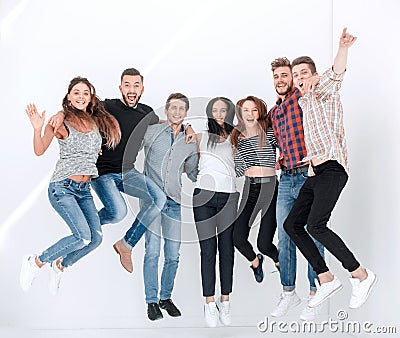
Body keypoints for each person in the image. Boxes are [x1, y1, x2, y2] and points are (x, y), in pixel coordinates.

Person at [283, 28, 376, 309]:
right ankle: (326, 278)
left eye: (303, 73)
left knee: (316, 225)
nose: (299, 78)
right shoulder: (302, 101)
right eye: (295, 75)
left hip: (334, 168)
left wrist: (343, 48)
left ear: (313, 74)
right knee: (292, 225)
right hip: (316, 171)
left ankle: (360, 274)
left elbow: (336, 72)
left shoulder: (323, 89)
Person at [49, 68, 167, 273]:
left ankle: (126, 244)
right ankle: (86, 225)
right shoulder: (107, 106)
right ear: (120, 87)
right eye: (127, 85)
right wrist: (59, 114)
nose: (131, 90)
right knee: (119, 212)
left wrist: (184, 127)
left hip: (128, 172)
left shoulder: (147, 113)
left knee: (159, 199)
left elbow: (163, 123)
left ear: (142, 89)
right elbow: (79, 107)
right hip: (103, 173)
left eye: (136, 85)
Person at [20, 77, 121, 295]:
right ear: (69, 96)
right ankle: (36, 261)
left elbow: (92, 148)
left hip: (84, 192)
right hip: (62, 188)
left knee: (96, 239)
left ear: (90, 97)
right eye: (76, 92)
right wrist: (38, 128)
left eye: (85, 93)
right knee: (82, 237)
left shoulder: (94, 122)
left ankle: (60, 265)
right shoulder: (60, 122)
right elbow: (39, 150)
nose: (81, 96)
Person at [268, 58, 325, 321]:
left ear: (292, 78)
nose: (280, 80)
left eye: (284, 75)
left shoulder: (301, 98)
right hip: (286, 179)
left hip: (308, 176)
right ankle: (289, 292)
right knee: (284, 236)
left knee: (313, 234)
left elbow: (320, 85)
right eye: (276, 76)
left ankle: (316, 293)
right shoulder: (274, 112)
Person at [141, 93, 198, 321]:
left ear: (186, 112)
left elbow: (193, 172)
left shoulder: (189, 139)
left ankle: (166, 297)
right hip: (151, 202)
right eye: (173, 108)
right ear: (166, 110)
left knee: (173, 255)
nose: (177, 112)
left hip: (174, 202)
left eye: (181, 108)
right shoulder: (152, 132)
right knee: (152, 252)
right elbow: (129, 145)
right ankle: (151, 302)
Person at [192, 97, 239, 327]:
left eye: (223, 110)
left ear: (229, 112)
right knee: (208, 251)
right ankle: (209, 302)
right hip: (203, 197)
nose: (219, 113)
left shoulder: (236, 137)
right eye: (215, 110)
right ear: (210, 113)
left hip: (229, 196)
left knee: (227, 249)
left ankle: (225, 300)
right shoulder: (200, 136)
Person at [231, 96, 279, 283]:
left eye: (254, 110)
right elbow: (238, 169)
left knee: (264, 243)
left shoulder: (268, 132)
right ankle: (255, 262)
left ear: (259, 112)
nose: (250, 114)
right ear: (240, 115)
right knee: (238, 238)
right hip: (250, 188)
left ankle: (277, 260)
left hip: (270, 188)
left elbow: (286, 147)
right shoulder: (238, 138)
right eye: (246, 111)